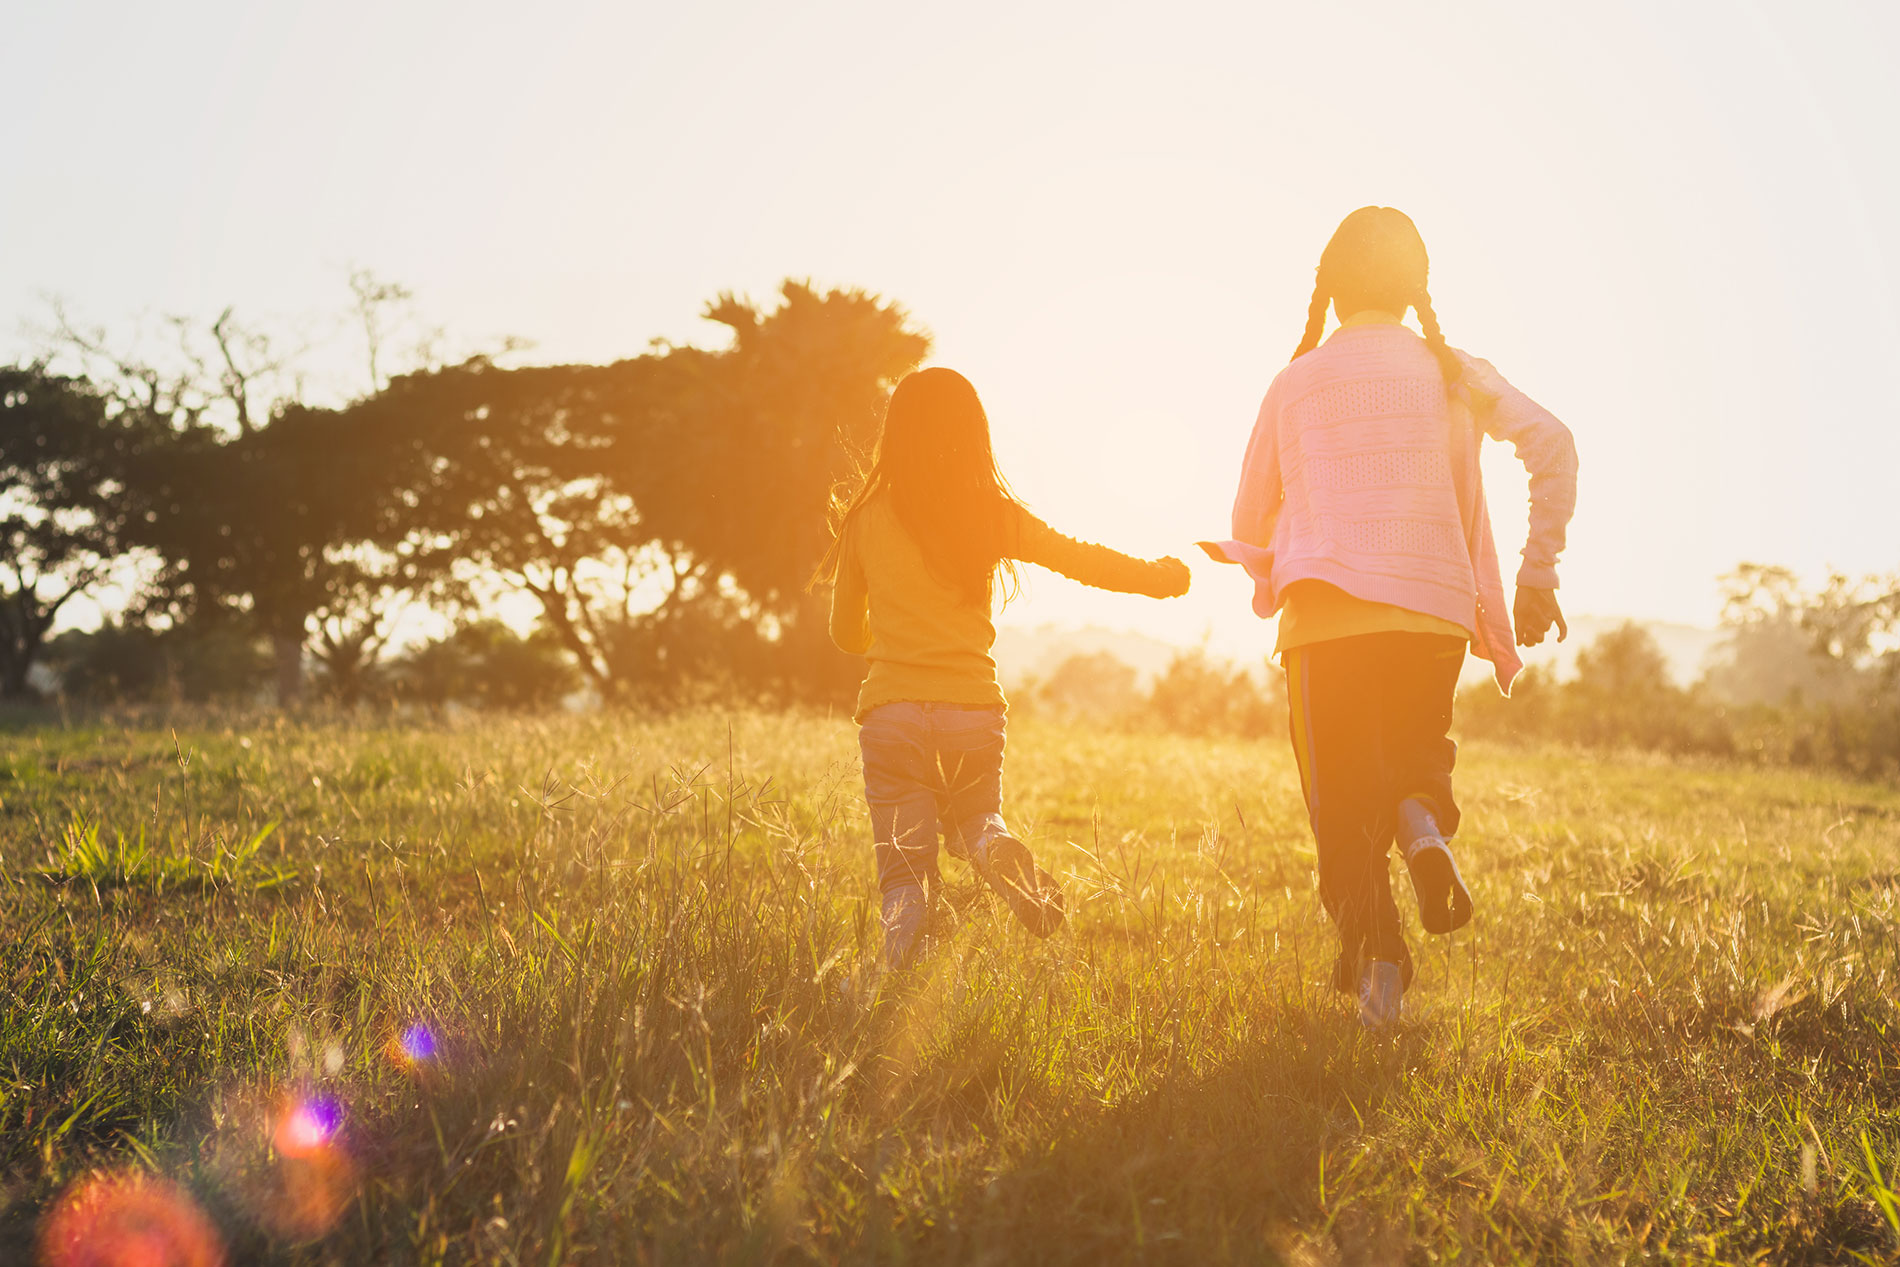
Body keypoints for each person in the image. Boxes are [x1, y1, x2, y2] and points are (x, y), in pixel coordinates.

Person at [1203, 206, 1578, 1029]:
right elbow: (1553, 442)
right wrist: (1535, 569)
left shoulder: (1294, 382)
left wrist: (1276, 564)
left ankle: (1379, 977)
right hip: (1433, 612)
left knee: (1340, 809)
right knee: (1412, 759)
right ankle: (1421, 825)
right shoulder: (1453, 371)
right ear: (1416, 291)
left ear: (1329, 290)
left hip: (1325, 621)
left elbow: (1249, 509)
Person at [814, 367, 1191, 969]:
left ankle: (895, 977)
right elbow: (1081, 560)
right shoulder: (990, 514)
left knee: (905, 870)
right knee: (973, 816)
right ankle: (990, 843)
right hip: (972, 711)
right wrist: (1160, 578)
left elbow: (842, 634)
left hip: (893, 714)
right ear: (972, 434)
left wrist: (888, 630)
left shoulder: (865, 517)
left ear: (896, 433)